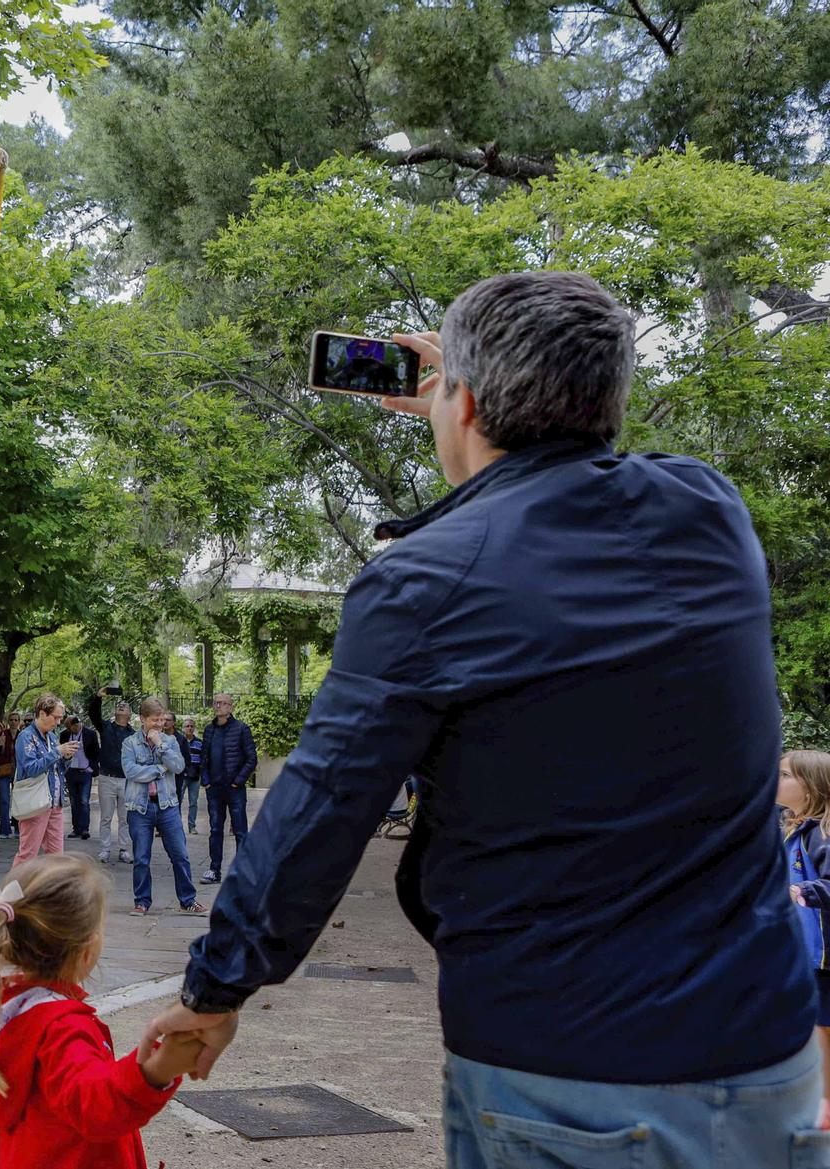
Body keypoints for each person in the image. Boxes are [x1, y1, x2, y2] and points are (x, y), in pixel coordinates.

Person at [145, 272, 822, 1166]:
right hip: (763, 1051)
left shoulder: (425, 581)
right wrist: (485, 399)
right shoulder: (710, 513)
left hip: (564, 1068)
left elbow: (319, 811)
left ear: (459, 400)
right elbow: (604, 478)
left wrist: (215, 987)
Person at [0, 855, 193, 1169]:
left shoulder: (8, 1014)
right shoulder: (63, 1030)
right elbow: (96, 1105)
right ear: (86, 952)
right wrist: (156, 1068)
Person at [781, 749, 830, 1127]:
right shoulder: (792, 829)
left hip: (824, 956)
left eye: (785, 775)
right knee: (816, 1028)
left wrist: (803, 892)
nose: (775, 780)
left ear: (812, 785)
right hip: (804, 953)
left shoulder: (821, 833)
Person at [122, 699, 203, 917]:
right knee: (141, 858)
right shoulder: (129, 743)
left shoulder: (170, 741)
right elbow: (131, 772)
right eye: (154, 720)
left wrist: (160, 744)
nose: (159, 724)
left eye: (161, 720)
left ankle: (187, 900)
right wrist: (159, 769)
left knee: (180, 855)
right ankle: (142, 901)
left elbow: (178, 766)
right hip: (140, 808)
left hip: (168, 806)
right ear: (142, 719)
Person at [10, 696, 75, 869]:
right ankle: (12, 894)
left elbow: (58, 769)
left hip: (54, 802)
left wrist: (66, 757)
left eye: (60, 717)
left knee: (56, 855)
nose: (58, 721)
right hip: (35, 802)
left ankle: (51, 894)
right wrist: (57, 752)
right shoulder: (26, 737)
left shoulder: (52, 737)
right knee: (28, 854)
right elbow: (31, 768)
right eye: (55, 717)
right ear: (42, 713)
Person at [197, 694, 254, 884]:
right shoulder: (209, 730)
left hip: (234, 789)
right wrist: (205, 780)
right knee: (215, 830)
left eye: (222, 703)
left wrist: (238, 781)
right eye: (215, 703)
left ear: (231, 707)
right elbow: (203, 759)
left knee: (240, 830)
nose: (218, 706)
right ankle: (214, 870)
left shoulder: (241, 729)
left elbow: (251, 758)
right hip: (214, 789)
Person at [87, 692, 135, 864]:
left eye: (125, 706)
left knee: (125, 817)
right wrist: (98, 697)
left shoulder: (134, 734)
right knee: (106, 816)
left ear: (130, 714)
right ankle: (105, 849)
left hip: (126, 780)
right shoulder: (105, 727)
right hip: (106, 777)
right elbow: (93, 714)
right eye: (118, 705)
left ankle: (124, 849)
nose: (121, 706)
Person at [58, 714, 98, 843]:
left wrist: (91, 767)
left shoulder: (90, 734)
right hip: (71, 771)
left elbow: (96, 752)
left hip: (85, 771)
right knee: (74, 801)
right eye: (69, 728)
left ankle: (85, 828)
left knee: (84, 800)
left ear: (77, 724)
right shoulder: (64, 735)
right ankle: (76, 829)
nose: (71, 730)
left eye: (72, 727)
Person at [0, 711, 22, 837]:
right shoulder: (2, 734)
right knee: (4, 800)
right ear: (8, 721)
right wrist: (0, 746)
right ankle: (4, 830)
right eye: (11, 720)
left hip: (19, 771)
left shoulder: (23, 735)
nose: (14, 722)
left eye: (16, 720)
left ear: (19, 722)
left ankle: (18, 828)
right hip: (5, 770)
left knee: (18, 800)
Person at [176, 716, 200, 835]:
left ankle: (192, 826)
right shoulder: (179, 741)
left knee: (193, 803)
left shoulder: (200, 743)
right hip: (181, 776)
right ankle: (177, 826)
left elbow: (203, 760)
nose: (189, 728)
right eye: (187, 726)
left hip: (195, 777)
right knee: (177, 801)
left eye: (191, 726)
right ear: (183, 728)